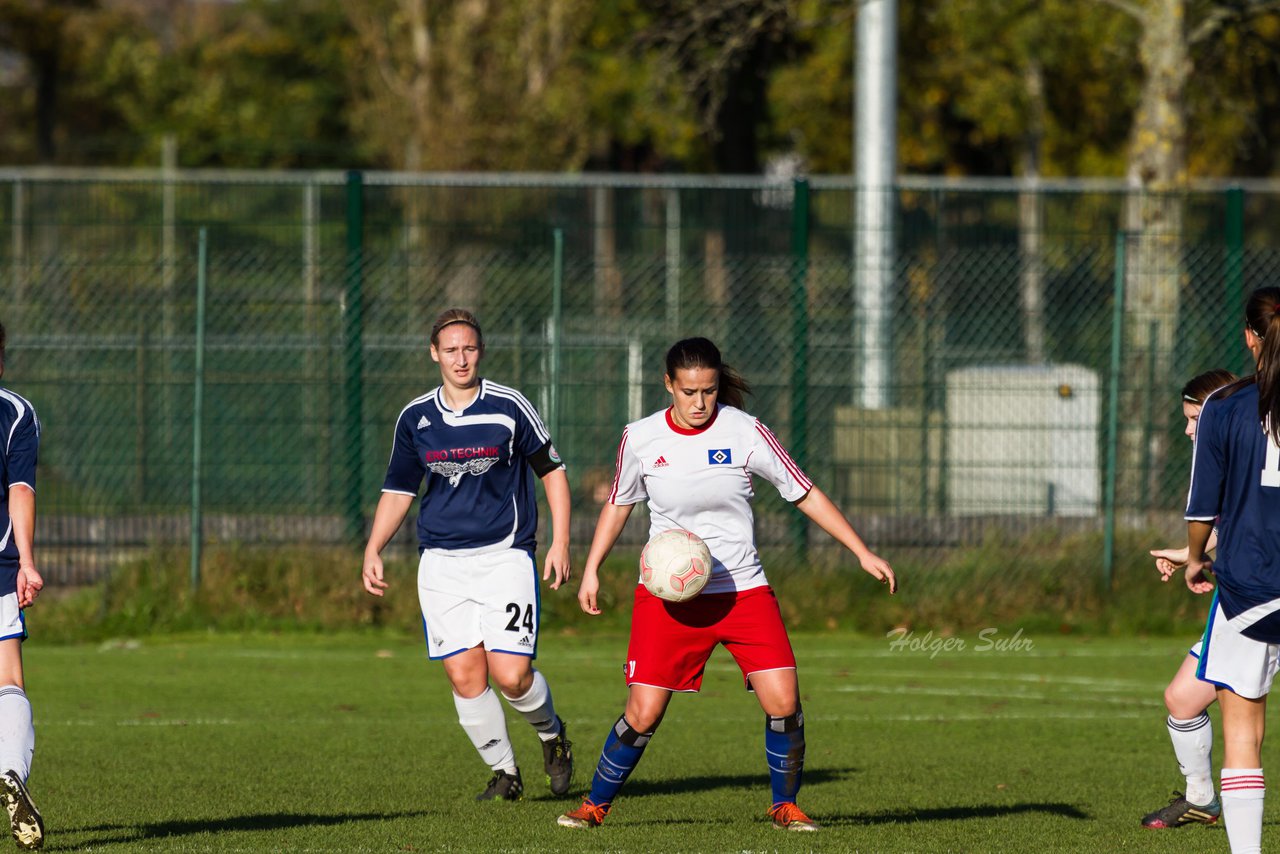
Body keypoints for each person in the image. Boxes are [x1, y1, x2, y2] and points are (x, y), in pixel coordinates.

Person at [557, 337, 896, 832]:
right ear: (668, 384)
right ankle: (595, 805)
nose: (699, 403)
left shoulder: (746, 431)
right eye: (689, 391)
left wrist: (860, 550)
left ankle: (785, 805)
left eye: (709, 391)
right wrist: (592, 568)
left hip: (743, 590)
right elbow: (619, 501)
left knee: (784, 701)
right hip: (668, 599)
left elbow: (802, 491)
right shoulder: (642, 436)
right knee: (644, 712)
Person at [360, 308, 574, 801]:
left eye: (470, 348)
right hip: (441, 563)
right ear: (434, 353)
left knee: (512, 675)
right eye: (451, 349)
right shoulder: (416, 417)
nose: (462, 358)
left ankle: (551, 735)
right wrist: (374, 546)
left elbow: (553, 472)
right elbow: (398, 490)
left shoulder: (509, 406)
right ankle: (505, 773)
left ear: (481, 351)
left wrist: (560, 540)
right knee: (463, 674)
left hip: (505, 557)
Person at [1184, 286, 1280, 854]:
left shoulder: (1225, 405)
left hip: (1251, 586)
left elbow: (1202, 507)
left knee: (1243, 736)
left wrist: (1197, 558)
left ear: (1249, 336)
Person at [1141, 368, 1237, 830]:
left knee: (1242, 730)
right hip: (1249, 594)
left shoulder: (1233, 451)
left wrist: (1198, 556)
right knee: (1182, 699)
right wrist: (1190, 554)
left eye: (1194, 417)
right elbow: (1237, 521)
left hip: (1254, 598)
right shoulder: (1247, 446)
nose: (1187, 429)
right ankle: (1202, 798)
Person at [0, 322, 44, 850]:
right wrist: (27, 560)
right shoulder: (15, 412)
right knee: (8, 677)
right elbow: (21, 490)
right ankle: (11, 768)